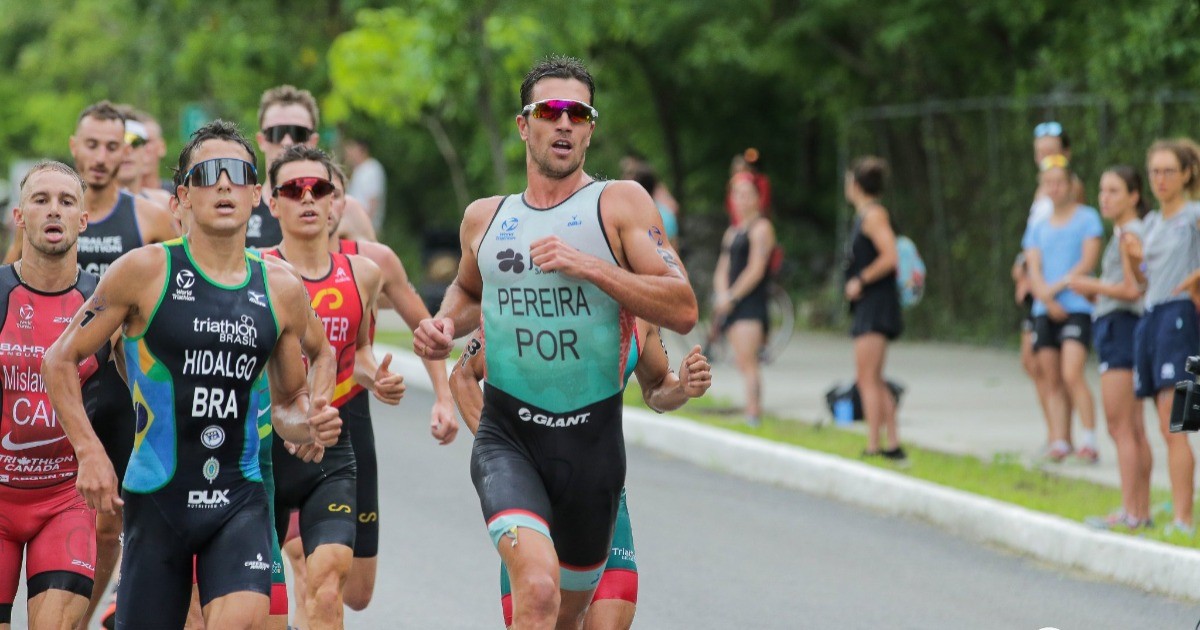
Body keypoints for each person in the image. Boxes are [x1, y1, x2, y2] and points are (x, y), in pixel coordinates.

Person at [415, 55, 698, 629]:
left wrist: (593, 269)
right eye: (550, 111)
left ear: (591, 128)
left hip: (592, 450)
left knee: (567, 619)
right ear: (525, 125)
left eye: (578, 113)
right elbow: (468, 292)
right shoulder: (485, 219)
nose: (564, 123)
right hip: (509, 438)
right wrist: (445, 323)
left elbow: (684, 306)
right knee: (538, 590)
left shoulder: (619, 204)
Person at [42, 120, 343, 628]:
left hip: (241, 495)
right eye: (208, 174)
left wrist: (308, 422)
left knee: (244, 616)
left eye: (236, 173)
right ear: (181, 195)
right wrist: (90, 451)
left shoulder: (281, 288)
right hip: (158, 499)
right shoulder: (144, 271)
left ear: (254, 193)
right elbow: (59, 359)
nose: (223, 184)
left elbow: (289, 401)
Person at [16, 101, 180, 630]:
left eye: (115, 146)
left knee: (109, 526)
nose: (103, 156)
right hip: (34, 403)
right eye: (93, 144)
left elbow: (179, 290)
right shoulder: (34, 229)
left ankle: (84, 616)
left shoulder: (148, 218)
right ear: (75, 146)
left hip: (108, 397)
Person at [450, 321, 710, 630]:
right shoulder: (530, 299)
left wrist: (682, 386)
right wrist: (508, 456)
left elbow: (656, 386)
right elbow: (463, 376)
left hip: (600, 499)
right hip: (535, 502)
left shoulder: (638, 311)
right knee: (539, 618)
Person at [262, 145, 406, 629]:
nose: (307, 198)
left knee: (328, 585)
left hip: (331, 446)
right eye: (292, 189)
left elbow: (356, 354)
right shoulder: (251, 271)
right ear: (271, 201)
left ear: (335, 202)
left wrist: (377, 378)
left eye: (318, 188)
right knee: (257, 604)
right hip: (262, 450)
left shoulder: (362, 274)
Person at [0, 161, 105, 630]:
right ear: (19, 216)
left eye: (66, 201)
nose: (53, 210)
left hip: (66, 499)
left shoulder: (104, 305)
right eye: (40, 200)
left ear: (83, 220)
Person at [1069, 165, 1152, 529]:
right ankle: (1140, 510)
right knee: (1133, 427)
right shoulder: (1126, 231)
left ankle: (1131, 511)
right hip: (1118, 325)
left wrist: (1093, 285)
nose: (1105, 197)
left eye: (1115, 190)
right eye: (1102, 190)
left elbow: (1135, 290)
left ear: (1134, 195)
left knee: (1121, 427)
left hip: (1122, 329)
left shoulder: (1130, 234)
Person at [1130, 139, 1200, 535]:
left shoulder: (1193, 214)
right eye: (1154, 171)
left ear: (1186, 174)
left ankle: (1183, 520)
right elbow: (1144, 279)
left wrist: (1192, 280)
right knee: (1163, 424)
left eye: (1168, 171)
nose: (1160, 179)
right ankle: (1178, 508)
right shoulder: (1153, 223)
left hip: (1179, 320)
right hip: (1152, 317)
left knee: (1179, 426)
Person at [1013, 122, 1086, 461]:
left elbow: (1069, 236)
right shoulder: (1039, 191)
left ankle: (1064, 436)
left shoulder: (1071, 189)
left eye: (1051, 150)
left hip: (1057, 292)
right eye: (1039, 150)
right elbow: (1036, 239)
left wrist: (1047, 287)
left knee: (1053, 365)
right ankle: (1055, 433)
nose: (1044, 156)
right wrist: (1023, 269)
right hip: (1036, 288)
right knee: (1033, 362)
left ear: (1065, 154)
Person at [1024, 155, 1102, 463]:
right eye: (1048, 184)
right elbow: (1033, 266)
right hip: (1045, 309)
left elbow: (1087, 262)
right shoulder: (1038, 227)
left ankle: (1089, 439)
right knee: (1051, 377)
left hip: (1076, 306)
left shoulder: (1087, 218)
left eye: (1059, 183)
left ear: (1071, 185)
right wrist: (1045, 297)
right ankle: (1059, 439)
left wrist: (1056, 289)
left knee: (1072, 373)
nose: (1054, 189)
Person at [843, 156, 904, 460]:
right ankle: (891, 443)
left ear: (855, 184)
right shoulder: (866, 214)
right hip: (871, 305)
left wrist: (860, 281)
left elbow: (890, 256)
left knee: (866, 377)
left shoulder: (873, 215)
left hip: (876, 305)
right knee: (874, 377)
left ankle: (874, 443)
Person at [712, 173, 776, 426]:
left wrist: (733, 295)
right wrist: (721, 295)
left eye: (747, 194)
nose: (741, 200)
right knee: (740, 360)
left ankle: (753, 412)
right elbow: (723, 267)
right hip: (731, 302)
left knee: (749, 361)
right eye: (737, 194)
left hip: (750, 303)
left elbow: (756, 268)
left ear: (758, 198)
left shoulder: (761, 229)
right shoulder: (732, 231)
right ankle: (750, 408)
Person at [114, 106, 172, 207]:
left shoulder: (169, 201)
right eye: (116, 144)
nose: (128, 150)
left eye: (136, 143)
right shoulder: (85, 204)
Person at [628, 166, 678, 249]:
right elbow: (675, 248)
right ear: (655, 187)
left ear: (636, 187)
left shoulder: (632, 216)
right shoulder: (668, 215)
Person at [343, 137, 387, 232]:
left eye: (351, 148)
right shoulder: (359, 170)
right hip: (356, 226)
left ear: (361, 149)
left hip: (364, 228)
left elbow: (373, 201)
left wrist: (365, 228)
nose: (348, 153)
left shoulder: (371, 169)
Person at [724, 148, 771, 225]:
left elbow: (763, 202)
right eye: (737, 171)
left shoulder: (759, 181)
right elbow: (730, 206)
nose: (740, 173)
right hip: (738, 223)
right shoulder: (731, 184)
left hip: (755, 220)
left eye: (742, 169)